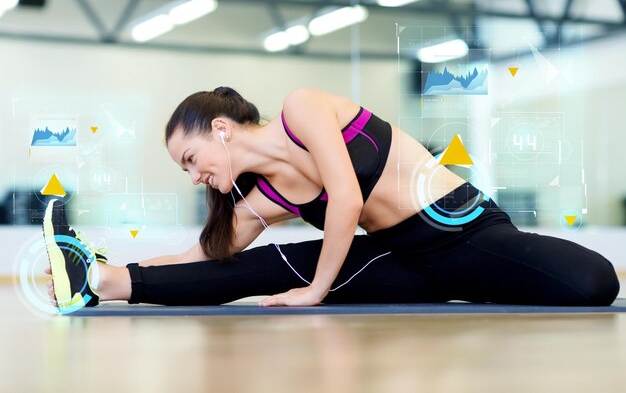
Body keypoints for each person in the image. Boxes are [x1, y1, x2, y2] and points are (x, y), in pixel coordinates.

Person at [43, 87, 620, 310]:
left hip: (465, 233)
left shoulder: (302, 110)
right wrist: (119, 265)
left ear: (221, 128)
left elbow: (344, 195)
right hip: (405, 262)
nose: (192, 175)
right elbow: (204, 260)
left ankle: (476, 281)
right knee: (259, 265)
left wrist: (316, 291)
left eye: (190, 159)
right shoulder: (258, 200)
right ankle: (99, 281)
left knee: (595, 283)